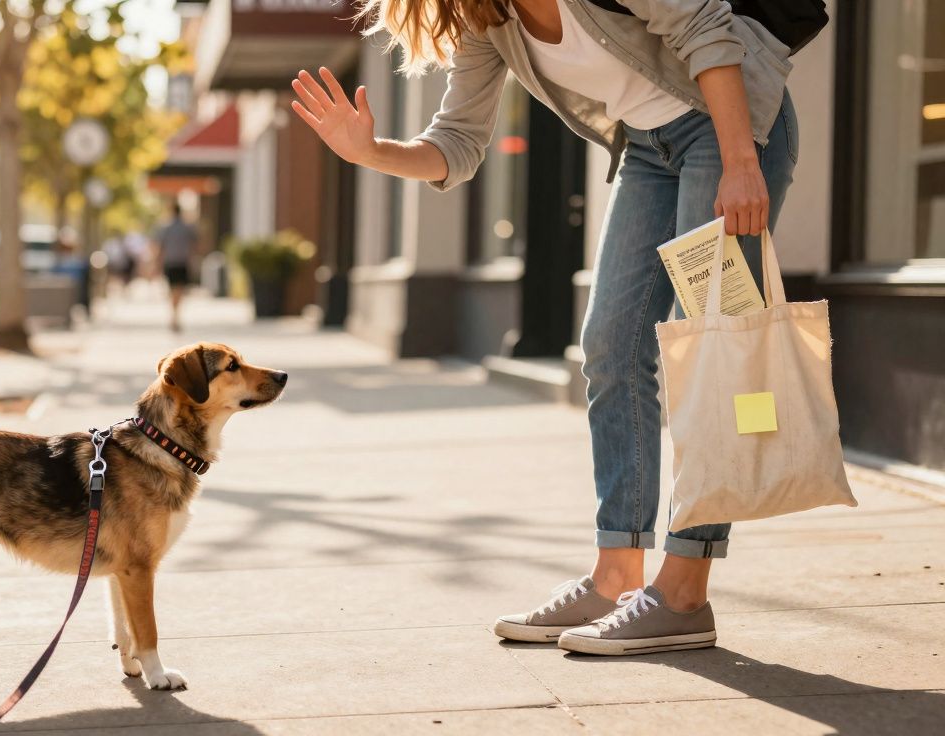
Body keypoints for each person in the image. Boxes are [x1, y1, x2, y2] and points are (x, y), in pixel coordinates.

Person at [292, 0, 796, 655]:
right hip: (648, 146)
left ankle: (684, 593)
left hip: (727, 124)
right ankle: (617, 574)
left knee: (710, 350)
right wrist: (371, 152)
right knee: (609, 347)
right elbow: (459, 144)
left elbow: (705, 26)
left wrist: (741, 162)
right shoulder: (489, 20)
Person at [154, 202, 199, 332]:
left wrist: (157, 263)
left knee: (172, 289)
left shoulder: (165, 228)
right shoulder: (187, 227)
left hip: (170, 262)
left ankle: (174, 316)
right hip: (182, 262)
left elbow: (160, 247)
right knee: (179, 289)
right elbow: (194, 246)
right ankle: (175, 316)